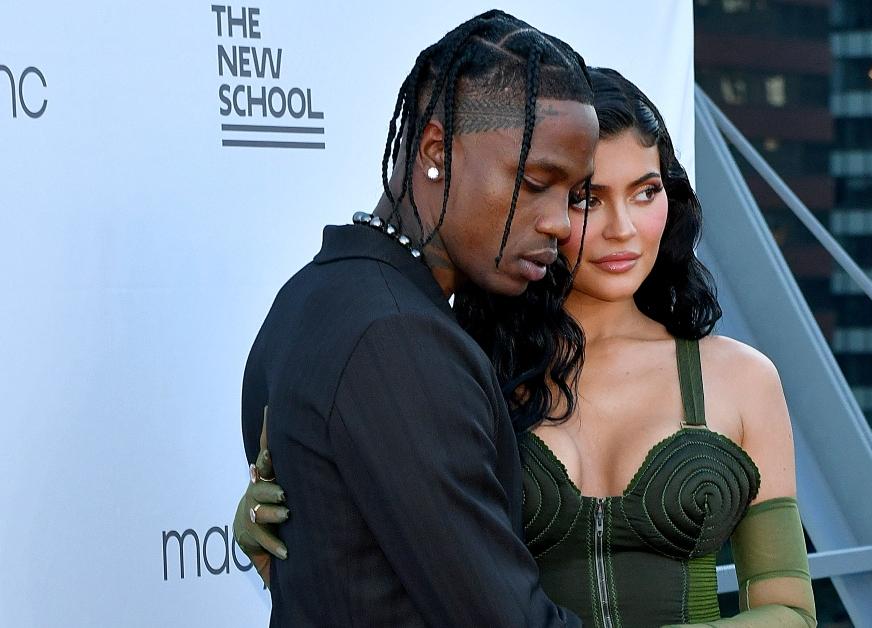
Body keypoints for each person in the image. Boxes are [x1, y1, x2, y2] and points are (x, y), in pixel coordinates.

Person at [240, 68, 817, 626]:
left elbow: (789, 608)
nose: (622, 228)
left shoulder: (741, 378)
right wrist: (287, 535)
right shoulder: (463, 365)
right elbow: (393, 577)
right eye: (588, 199)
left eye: (645, 192)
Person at [235, 10, 597, 627]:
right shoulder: (397, 340)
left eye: (573, 194)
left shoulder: (313, 292)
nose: (560, 223)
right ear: (435, 151)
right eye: (537, 182)